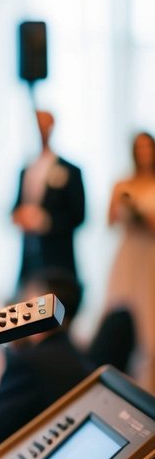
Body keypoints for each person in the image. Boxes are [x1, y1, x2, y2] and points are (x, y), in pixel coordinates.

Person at [0, 268, 90, 459]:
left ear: (39, 307)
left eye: (26, 299)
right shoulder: (78, 357)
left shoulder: (29, 363)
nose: (19, 304)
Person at [101, 130, 155, 391]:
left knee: (148, 315)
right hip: (127, 254)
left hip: (149, 256)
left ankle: (147, 381)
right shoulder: (122, 184)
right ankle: (118, 375)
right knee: (119, 310)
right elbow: (109, 222)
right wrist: (121, 205)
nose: (144, 152)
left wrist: (142, 214)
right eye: (140, 147)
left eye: (148, 147)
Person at [11, 109, 85, 287]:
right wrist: (20, 215)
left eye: (45, 125)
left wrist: (46, 221)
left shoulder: (71, 170)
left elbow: (79, 215)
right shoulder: (26, 169)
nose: (41, 130)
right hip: (29, 254)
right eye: (37, 125)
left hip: (59, 258)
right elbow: (15, 206)